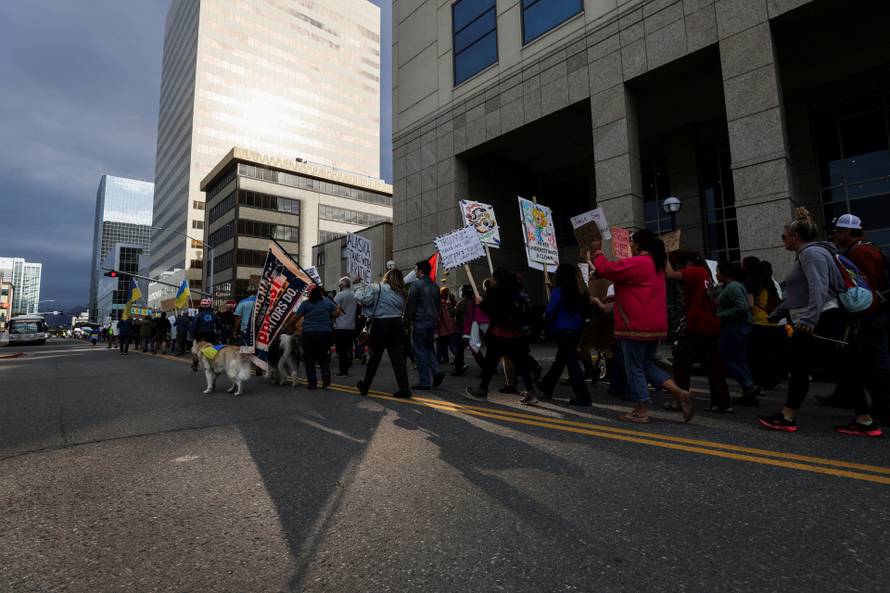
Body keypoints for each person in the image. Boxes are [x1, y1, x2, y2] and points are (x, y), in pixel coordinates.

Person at [588, 230, 694, 423]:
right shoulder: (656, 264)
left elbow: (608, 269)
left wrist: (597, 251)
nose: (630, 246)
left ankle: (641, 409)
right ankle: (680, 392)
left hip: (635, 324)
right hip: (654, 324)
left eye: (632, 242)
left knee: (634, 368)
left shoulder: (639, 262)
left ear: (639, 244)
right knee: (645, 365)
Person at [758, 207, 847, 432]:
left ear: (795, 237)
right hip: (822, 317)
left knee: (800, 366)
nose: (783, 239)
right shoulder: (808, 254)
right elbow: (800, 293)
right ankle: (865, 419)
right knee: (840, 367)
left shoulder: (811, 254)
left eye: (783, 235)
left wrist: (811, 317)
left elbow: (819, 287)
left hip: (822, 318)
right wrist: (778, 313)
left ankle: (788, 417)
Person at [829, 214, 887, 436]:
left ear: (846, 232)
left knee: (875, 362)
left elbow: (866, 287)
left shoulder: (860, 252)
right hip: (875, 314)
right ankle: (848, 396)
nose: (834, 235)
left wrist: (860, 312)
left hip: (871, 316)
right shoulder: (867, 248)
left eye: (837, 231)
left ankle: (884, 408)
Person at [666, 251, 732, 412]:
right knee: (713, 366)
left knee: (681, 362)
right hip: (710, 325)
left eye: (680, 266)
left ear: (687, 264)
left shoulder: (695, 271)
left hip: (697, 325)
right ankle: (722, 403)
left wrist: (665, 256)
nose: (680, 270)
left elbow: (671, 274)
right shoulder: (705, 274)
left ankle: (680, 399)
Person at [465, 268, 540, 404]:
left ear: (497, 279)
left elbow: (494, 310)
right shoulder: (514, 291)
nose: (491, 280)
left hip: (500, 334)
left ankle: (483, 388)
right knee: (520, 364)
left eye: (493, 278)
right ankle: (531, 392)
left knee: (491, 363)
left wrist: (481, 303)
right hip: (515, 334)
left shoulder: (498, 292)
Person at [537, 264, 591, 405]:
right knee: (561, 359)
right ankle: (546, 385)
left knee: (571, 363)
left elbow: (550, 311)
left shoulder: (560, 291)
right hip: (576, 329)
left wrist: (546, 320)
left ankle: (582, 397)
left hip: (562, 330)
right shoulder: (580, 290)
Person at [354, 269, 412, 398]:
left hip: (381, 324)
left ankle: (365, 386)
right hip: (397, 323)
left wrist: (357, 286)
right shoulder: (401, 292)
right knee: (397, 359)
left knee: (374, 358)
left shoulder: (378, 287)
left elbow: (363, 299)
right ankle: (404, 388)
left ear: (387, 276)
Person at [715, 261, 759, 404]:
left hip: (735, 327)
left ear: (725, 273)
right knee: (740, 360)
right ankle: (749, 392)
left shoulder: (733, 287)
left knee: (724, 358)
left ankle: (747, 384)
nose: (716, 274)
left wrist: (721, 315)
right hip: (741, 327)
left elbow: (742, 306)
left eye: (718, 272)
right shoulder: (732, 286)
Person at [746, 259, 788, 391]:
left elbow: (750, 305)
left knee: (758, 356)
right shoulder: (772, 284)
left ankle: (760, 381)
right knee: (773, 353)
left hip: (759, 322)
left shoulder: (752, 284)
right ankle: (773, 376)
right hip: (774, 322)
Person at [405, 259, 444, 390]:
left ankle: (425, 381)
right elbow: (438, 307)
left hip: (420, 321)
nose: (414, 271)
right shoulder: (435, 286)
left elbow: (410, 307)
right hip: (432, 322)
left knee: (420, 351)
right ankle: (437, 371)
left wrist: (406, 323)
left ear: (421, 271)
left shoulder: (416, 286)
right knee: (428, 348)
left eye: (415, 269)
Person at [294, 286, 340, 390]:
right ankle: (326, 375)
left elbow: (296, 317)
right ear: (321, 294)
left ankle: (312, 383)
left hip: (309, 333)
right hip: (325, 332)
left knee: (309, 358)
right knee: (323, 356)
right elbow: (335, 314)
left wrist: (289, 325)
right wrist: (337, 309)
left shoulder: (305, 304)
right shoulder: (327, 302)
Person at [333, 277, 358, 377]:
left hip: (340, 326)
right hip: (351, 325)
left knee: (340, 350)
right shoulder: (354, 294)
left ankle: (343, 371)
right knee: (348, 347)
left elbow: (334, 309)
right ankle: (348, 362)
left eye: (339, 285)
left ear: (342, 285)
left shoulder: (339, 295)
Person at [451, 285, 473, 376]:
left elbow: (452, 314)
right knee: (476, 351)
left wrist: (449, 305)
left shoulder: (461, 303)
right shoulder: (474, 301)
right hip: (472, 329)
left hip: (461, 330)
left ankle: (458, 369)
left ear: (463, 293)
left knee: (459, 351)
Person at [435, 287, 457, 365]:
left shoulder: (439, 304)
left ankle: (438, 360)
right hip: (451, 327)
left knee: (439, 345)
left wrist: (435, 330)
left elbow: (438, 318)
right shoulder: (450, 302)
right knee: (450, 345)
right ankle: (448, 359)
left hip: (442, 329)